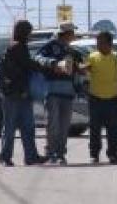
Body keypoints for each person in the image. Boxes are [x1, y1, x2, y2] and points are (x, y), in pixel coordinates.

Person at [0, 20, 47, 167]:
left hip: (20, 93)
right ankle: (7, 157)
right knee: (12, 127)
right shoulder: (18, 48)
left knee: (26, 127)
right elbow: (27, 66)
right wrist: (43, 67)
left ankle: (30, 156)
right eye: (29, 32)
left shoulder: (15, 47)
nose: (30, 36)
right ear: (23, 32)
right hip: (14, 94)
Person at [34, 22, 82, 165]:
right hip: (52, 92)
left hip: (68, 93)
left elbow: (79, 69)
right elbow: (37, 58)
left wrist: (80, 83)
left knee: (64, 125)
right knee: (53, 123)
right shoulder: (50, 47)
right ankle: (51, 153)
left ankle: (61, 153)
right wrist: (53, 63)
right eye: (72, 32)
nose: (73, 35)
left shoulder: (73, 52)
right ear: (65, 33)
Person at [82, 31, 117, 165]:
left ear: (109, 44)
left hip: (113, 99)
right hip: (95, 98)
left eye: (101, 42)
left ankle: (113, 154)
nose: (98, 45)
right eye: (97, 42)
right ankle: (94, 154)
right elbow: (85, 68)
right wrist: (81, 68)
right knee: (95, 129)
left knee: (113, 129)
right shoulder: (93, 56)